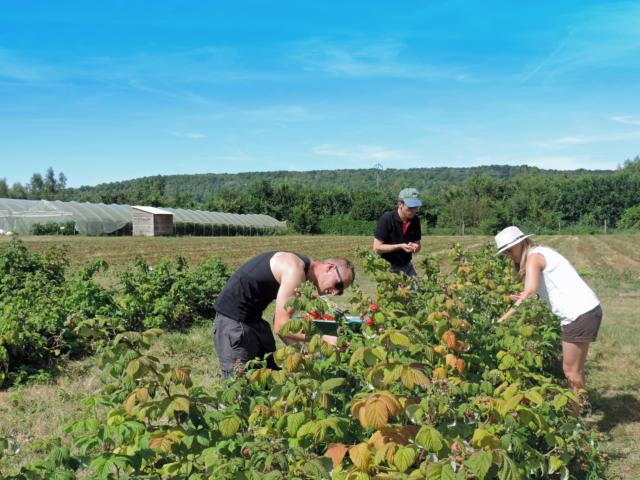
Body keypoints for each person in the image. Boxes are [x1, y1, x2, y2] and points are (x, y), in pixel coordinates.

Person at [495, 226, 602, 401]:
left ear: (521, 243)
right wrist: (526, 296)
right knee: (575, 370)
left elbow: (529, 292)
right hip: (585, 311)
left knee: (571, 372)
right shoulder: (539, 253)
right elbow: (537, 291)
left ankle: (576, 419)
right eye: (505, 252)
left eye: (509, 250)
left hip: (579, 315)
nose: (508, 255)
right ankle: (581, 408)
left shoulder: (533, 258)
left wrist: (503, 319)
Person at [213, 251, 355, 378]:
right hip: (233, 323)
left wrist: (301, 351)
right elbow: (281, 326)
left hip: (254, 320)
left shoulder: (301, 271)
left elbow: (281, 321)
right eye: (339, 285)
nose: (336, 293)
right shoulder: (295, 271)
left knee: (271, 377)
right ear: (330, 267)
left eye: (341, 291)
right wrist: (323, 338)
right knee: (240, 387)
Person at [373, 188, 422, 279]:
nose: (414, 210)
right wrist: (399, 246)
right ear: (400, 204)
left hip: (407, 265)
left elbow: (418, 245)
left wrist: (415, 247)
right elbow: (376, 248)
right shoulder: (386, 219)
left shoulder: (415, 220)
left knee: (418, 292)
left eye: (415, 207)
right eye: (410, 207)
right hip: (388, 267)